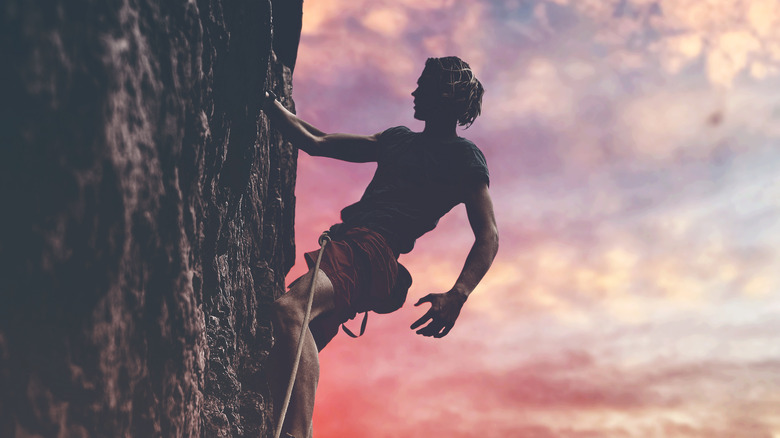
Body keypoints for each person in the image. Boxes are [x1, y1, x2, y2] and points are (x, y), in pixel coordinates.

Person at [262, 56, 499, 438]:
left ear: (443, 93)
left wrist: (458, 294)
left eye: (423, 84)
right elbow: (316, 141)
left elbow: (488, 235)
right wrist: (268, 101)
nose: (414, 91)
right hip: (353, 249)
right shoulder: (397, 140)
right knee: (280, 358)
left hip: (371, 251)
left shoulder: (463, 158)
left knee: (291, 312)